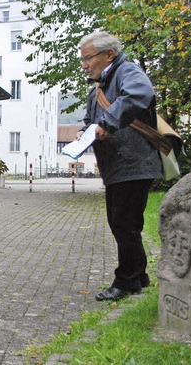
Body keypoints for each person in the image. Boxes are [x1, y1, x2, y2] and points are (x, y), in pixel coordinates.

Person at [76, 31, 161, 301]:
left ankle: (126, 282)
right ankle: (139, 276)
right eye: (83, 60)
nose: (85, 65)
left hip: (134, 163)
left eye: (88, 58)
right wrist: (83, 133)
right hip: (118, 167)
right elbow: (92, 121)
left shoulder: (128, 72)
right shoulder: (98, 88)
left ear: (108, 54)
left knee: (124, 223)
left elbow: (140, 94)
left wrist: (106, 123)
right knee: (122, 223)